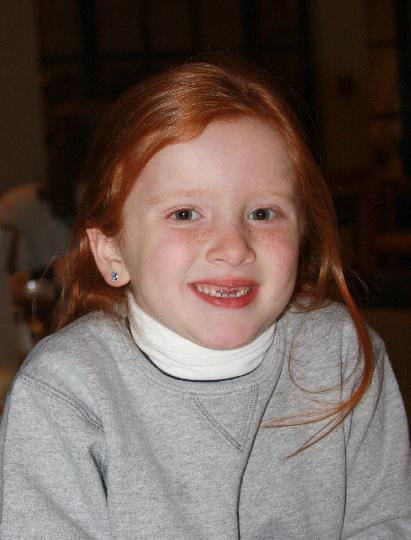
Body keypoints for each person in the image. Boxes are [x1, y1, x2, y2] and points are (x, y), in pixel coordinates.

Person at [0, 59, 409, 539]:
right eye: (185, 214)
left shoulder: (342, 355)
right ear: (112, 251)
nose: (233, 248)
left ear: (303, 231)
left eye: (263, 213)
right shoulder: (65, 391)